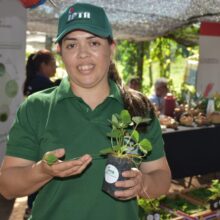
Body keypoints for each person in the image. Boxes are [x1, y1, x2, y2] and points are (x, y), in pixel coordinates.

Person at [0, 3, 171, 220]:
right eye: (72, 45)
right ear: (60, 51)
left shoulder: (138, 108)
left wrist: (143, 183)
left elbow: (162, 178)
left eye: (93, 43)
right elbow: (6, 186)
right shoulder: (37, 107)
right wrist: (42, 171)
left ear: (111, 48)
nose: (83, 54)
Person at [23, 49, 60, 219]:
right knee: (42, 172)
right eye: (52, 63)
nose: (56, 66)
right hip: (42, 137)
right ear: (43, 65)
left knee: (37, 171)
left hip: (36, 136)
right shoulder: (43, 85)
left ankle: (31, 207)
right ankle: (33, 208)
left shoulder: (36, 82)